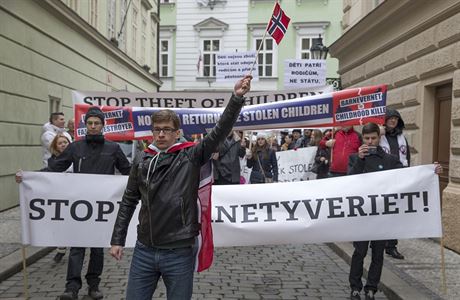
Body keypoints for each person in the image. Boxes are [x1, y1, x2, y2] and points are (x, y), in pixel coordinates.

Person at [109, 75, 252, 300]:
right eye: (157, 130)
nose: (161, 134)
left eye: (167, 129)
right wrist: (117, 239)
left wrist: (235, 99)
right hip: (145, 249)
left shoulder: (190, 155)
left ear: (177, 132)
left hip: (179, 250)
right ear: (152, 132)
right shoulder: (143, 159)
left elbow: (219, 131)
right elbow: (129, 200)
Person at [48, 106, 131, 300]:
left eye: (97, 123)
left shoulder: (113, 148)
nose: (93, 126)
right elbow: (55, 167)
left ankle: (94, 285)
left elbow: (128, 171)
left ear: (103, 125)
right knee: (76, 246)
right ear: (86, 125)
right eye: (90, 123)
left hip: (102, 208)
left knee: (97, 248)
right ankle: (72, 287)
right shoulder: (76, 147)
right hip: (80, 207)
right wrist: (29, 177)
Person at [347, 122, 404, 300]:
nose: (370, 141)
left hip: (382, 215)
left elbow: (408, 177)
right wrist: (360, 159)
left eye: (373, 138)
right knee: (360, 252)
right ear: (362, 138)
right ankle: (355, 287)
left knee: (378, 254)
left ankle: (371, 287)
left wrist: (431, 171)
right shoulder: (355, 158)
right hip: (362, 214)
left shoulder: (390, 159)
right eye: (367, 138)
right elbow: (349, 182)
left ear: (379, 138)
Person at [380, 108, 410, 259]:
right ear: (384, 120)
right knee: (380, 211)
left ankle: (391, 246)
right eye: (390, 118)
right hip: (381, 179)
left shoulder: (402, 138)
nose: (393, 121)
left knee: (395, 212)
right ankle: (378, 241)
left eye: (396, 119)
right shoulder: (378, 135)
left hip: (398, 178)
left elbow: (407, 158)